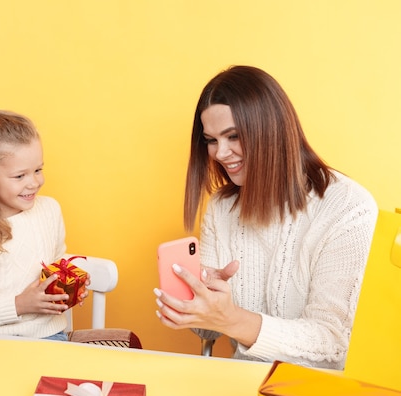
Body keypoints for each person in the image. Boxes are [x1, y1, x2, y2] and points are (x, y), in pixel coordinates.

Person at [154, 65, 378, 369]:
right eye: (211, 140)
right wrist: (199, 302)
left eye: (233, 136)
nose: (220, 153)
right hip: (243, 383)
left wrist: (233, 318)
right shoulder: (221, 208)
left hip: (314, 395)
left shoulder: (349, 208)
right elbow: (207, 330)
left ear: (272, 129)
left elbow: (332, 343)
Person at [0, 102, 88, 341]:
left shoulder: (49, 210)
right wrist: (20, 305)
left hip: (50, 336)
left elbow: (56, 261)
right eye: (20, 176)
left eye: (38, 170)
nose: (34, 183)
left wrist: (69, 285)